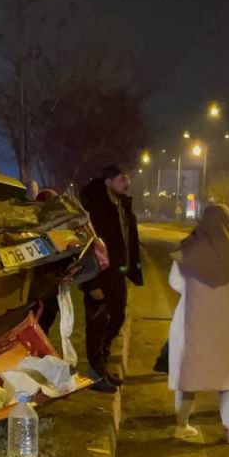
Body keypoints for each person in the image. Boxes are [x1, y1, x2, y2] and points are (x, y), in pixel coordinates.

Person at [168, 204, 229, 444]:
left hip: (194, 317)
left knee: (190, 369)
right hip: (227, 320)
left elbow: (175, 282)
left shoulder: (189, 247)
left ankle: (182, 423)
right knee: (227, 371)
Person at [79, 165, 143, 393]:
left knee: (116, 319)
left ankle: (102, 367)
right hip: (98, 276)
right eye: (121, 179)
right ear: (107, 181)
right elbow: (85, 247)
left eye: (127, 178)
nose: (126, 183)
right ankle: (95, 374)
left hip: (118, 275)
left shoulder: (122, 206)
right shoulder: (95, 207)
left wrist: (134, 269)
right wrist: (91, 284)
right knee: (97, 324)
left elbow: (129, 240)